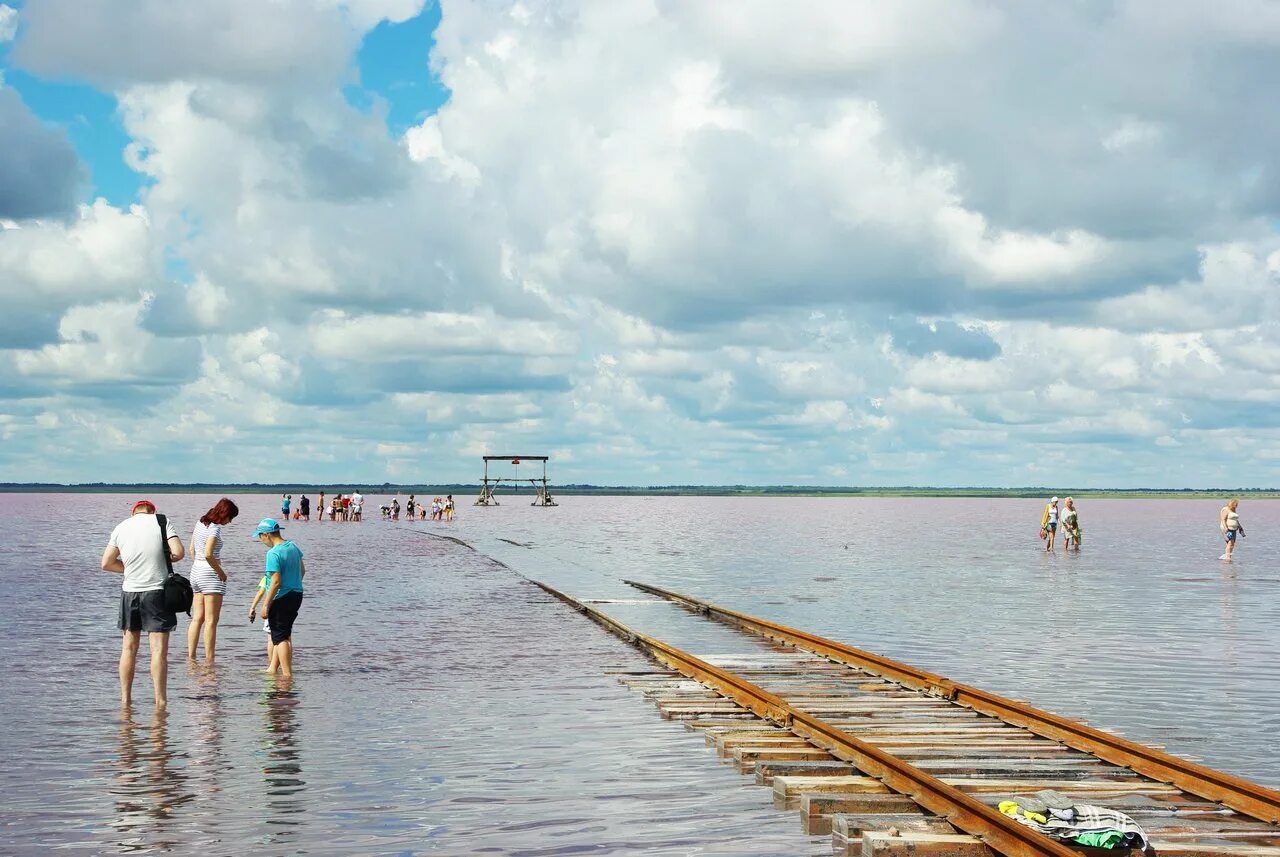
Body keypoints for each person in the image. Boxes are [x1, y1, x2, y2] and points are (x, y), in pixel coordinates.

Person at [101, 500, 186, 708]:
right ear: (152, 511)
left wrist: (130, 568)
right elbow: (179, 552)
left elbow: (106, 563)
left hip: (130, 592)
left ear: (133, 513)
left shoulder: (121, 527)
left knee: (128, 648)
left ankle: (125, 700)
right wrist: (159, 561)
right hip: (157, 592)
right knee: (158, 651)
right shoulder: (162, 522)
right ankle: (160, 701)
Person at [252, 519, 306, 676]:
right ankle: (273, 668)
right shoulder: (293, 546)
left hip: (280, 597)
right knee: (284, 633)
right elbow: (302, 570)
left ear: (267, 535)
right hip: (296, 594)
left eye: (260, 536)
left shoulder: (273, 553)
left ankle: (287, 674)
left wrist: (265, 605)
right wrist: (293, 584)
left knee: (280, 637)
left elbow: (275, 581)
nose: (260, 540)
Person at [187, 498, 239, 660]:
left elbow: (192, 549)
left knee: (197, 618)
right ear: (224, 514)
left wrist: (199, 564)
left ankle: (192, 657)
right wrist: (221, 572)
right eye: (230, 518)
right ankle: (210, 660)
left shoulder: (200, 523)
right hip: (210, 575)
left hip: (196, 571)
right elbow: (209, 553)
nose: (229, 522)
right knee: (211, 621)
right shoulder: (215, 529)